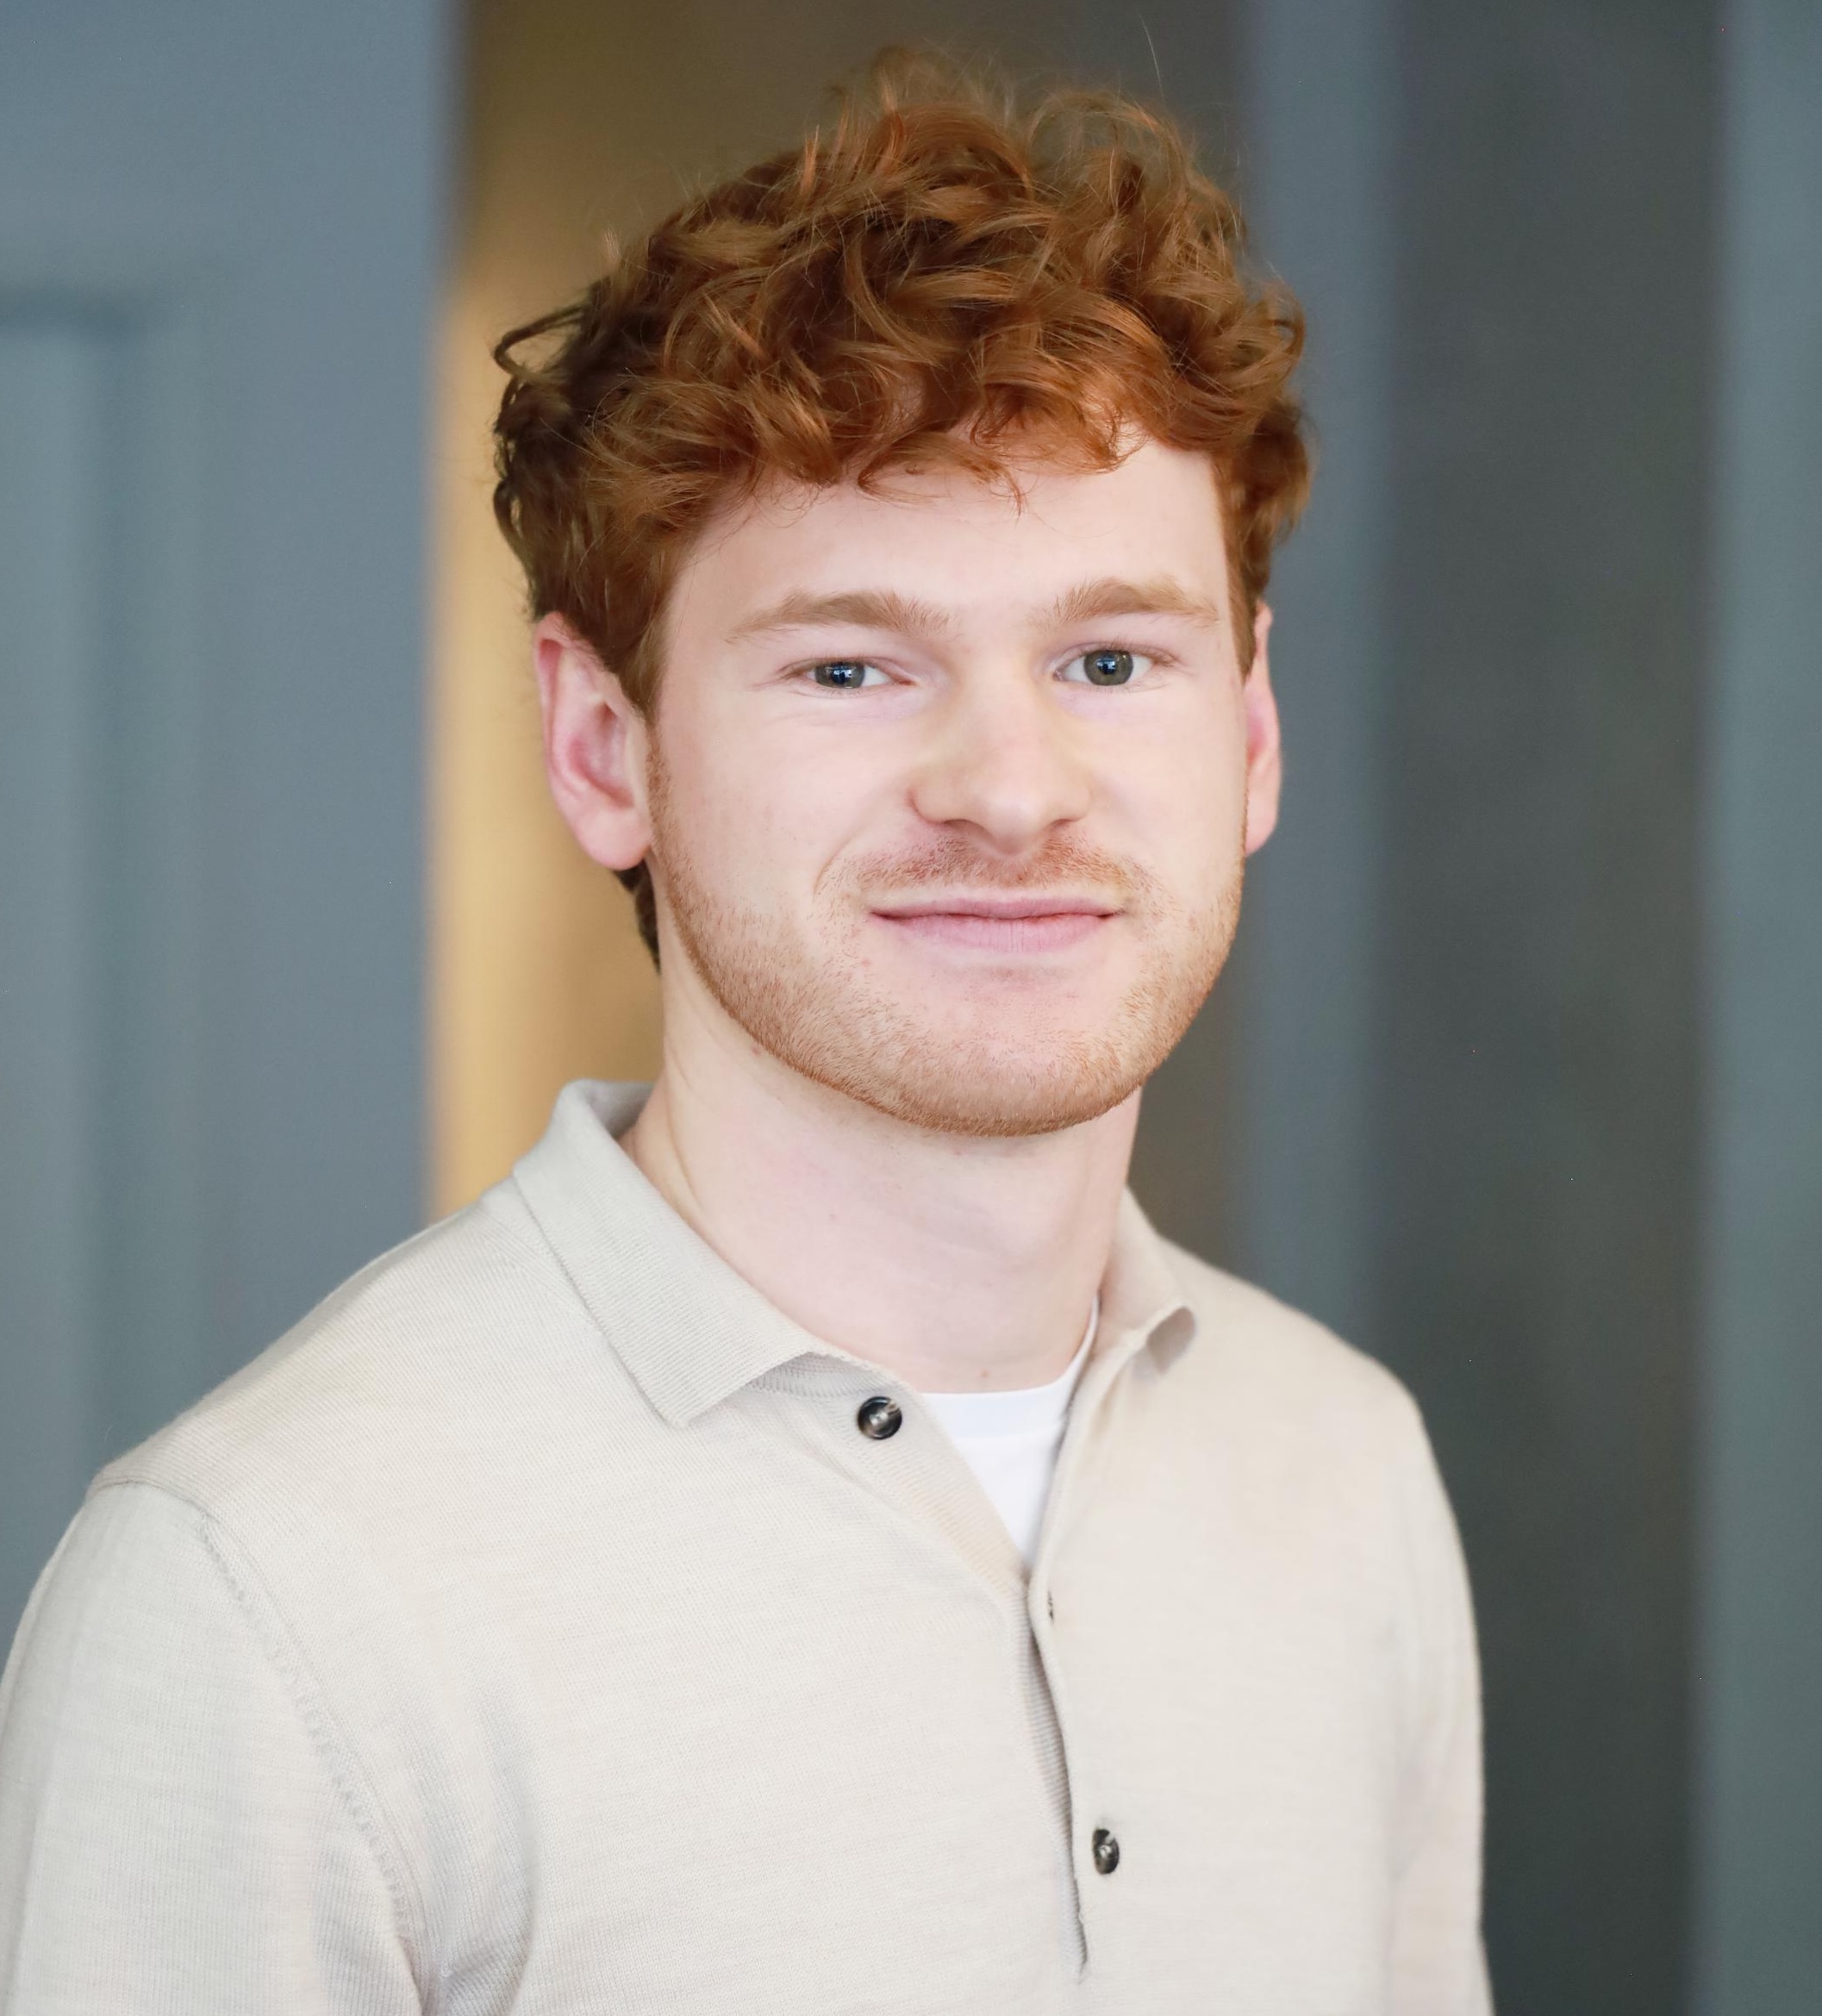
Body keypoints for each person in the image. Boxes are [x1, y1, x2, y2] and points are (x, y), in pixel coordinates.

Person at [0, 53, 1489, 2013]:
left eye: (1111, 658)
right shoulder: (262, 1592)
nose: (1010, 789)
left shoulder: (1342, 1465)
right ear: (601, 748)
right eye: (852, 667)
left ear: (1252, 729)